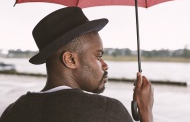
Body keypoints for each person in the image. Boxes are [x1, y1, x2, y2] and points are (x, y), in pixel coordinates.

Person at [0, 7, 153, 122]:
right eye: (98, 56)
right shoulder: (106, 111)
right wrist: (146, 111)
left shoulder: (13, 112)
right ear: (70, 60)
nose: (105, 65)